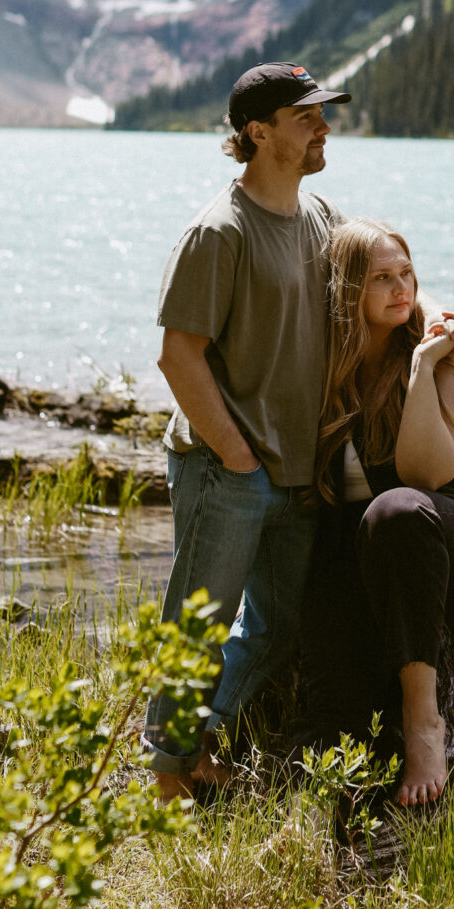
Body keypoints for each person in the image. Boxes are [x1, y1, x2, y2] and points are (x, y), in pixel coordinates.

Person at [141, 61, 352, 798]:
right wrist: (236, 457)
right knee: (197, 628)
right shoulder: (218, 232)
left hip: (298, 474)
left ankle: (198, 742)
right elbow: (178, 355)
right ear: (258, 133)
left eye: (324, 113)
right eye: (307, 117)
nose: (324, 126)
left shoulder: (321, 218)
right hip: (226, 468)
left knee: (277, 627)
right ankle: (167, 782)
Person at [294, 218, 454, 806]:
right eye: (381, 279)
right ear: (346, 292)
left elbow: (426, 476)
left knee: (396, 512)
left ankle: (425, 723)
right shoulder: (324, 366)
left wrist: (419, 366)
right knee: (331, 694)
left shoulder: (444, 359)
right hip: (372, 552)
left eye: (406, 274)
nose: (401, 289)